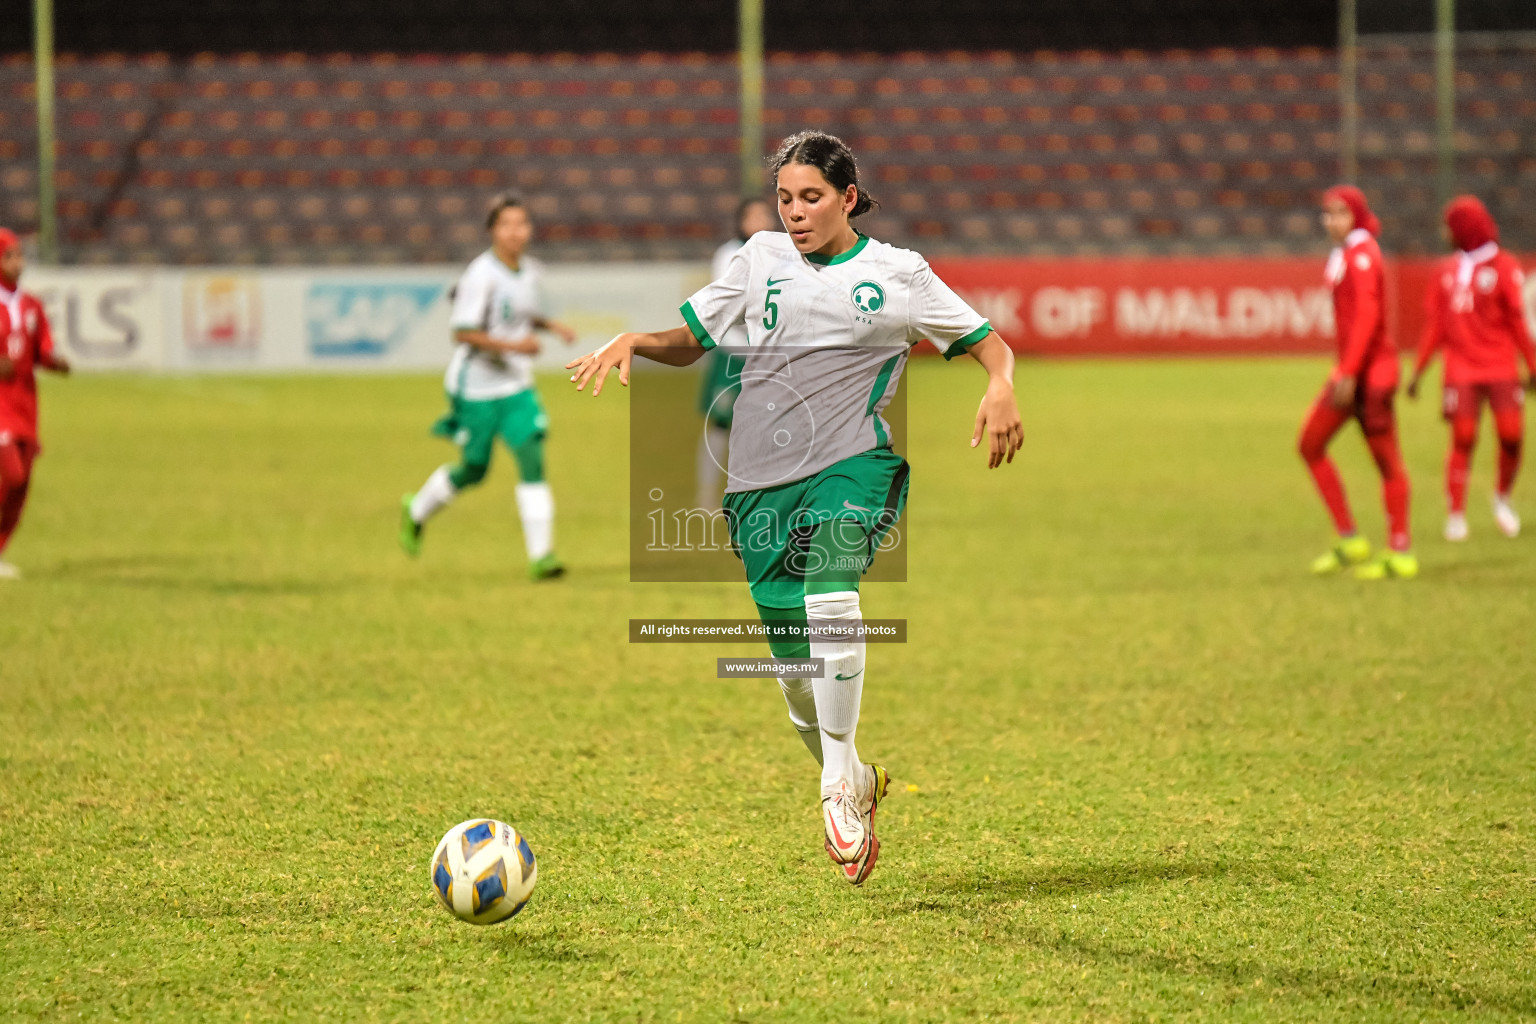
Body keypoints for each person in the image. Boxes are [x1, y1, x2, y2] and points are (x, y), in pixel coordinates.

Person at [565, 130, 1023, 885]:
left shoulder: (898, 274)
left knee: (833, 596)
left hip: (853, 463)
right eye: (785, 198)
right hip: (758, 484)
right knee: (794, 680)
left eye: (810, 197)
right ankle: (855, 777)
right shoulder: (759, 258)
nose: (795, 212)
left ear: (847, 198)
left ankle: (835, 789)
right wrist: (638, 342)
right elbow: (696, 336)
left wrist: (1000, 384)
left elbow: (986, 341)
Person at [399, 193, 577, 579]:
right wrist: (517, 346)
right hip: (476, 388)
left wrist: (551, 326)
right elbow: (463, 333)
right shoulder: (480, 275)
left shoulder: (530, 271)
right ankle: (415, 510)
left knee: (532, 460)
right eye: (506, 225)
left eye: (522, 224)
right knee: (474, 469)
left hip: (515, 385)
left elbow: (519, 314)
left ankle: (542, 557)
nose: (516, 232)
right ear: (492, 231)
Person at [1297, 185, 1416, 580]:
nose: (1332, 221)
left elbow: (1367, 317)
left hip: (1371, 374)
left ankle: (1400, 551)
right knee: (1310, 444)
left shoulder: (1363, 256)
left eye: (1340, 214)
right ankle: (1350, 539)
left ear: (1358, 217)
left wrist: (1348, 371)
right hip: (1351, 372)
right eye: (1328, 214)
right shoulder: (1346, 255)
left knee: (1387, 462)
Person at [1407, 195, 1536, 540]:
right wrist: (1419, 369)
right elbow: (1435, 326)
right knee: (1463, 438)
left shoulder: (1505, 267)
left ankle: (1502, 499)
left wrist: (1533, 363)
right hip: (1461, 368)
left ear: (1465, 228)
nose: (1444, 233)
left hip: (1500, 366)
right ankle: (1456, 514)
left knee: (1511, 436)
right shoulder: (1445, 271)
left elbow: (1518, 322)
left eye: (1449, 226)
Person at [695, 197, 776, 510]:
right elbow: (729, 303)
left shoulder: (784, 252)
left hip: (768, 355)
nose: (759, 221)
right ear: (740, 221)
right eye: (752, 215)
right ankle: (706, 495)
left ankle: (763, 497)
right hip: (733, 353)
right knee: (720, 424)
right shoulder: (729, 254)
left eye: (764, 215)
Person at [0, 229, 70, 580]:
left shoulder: (31, 305)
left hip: (26, 405)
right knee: (9, 473)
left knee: (22, 483)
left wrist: (53, 361)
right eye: (10, 256)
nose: (18, 263)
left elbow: (41, 349)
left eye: (20, 256)